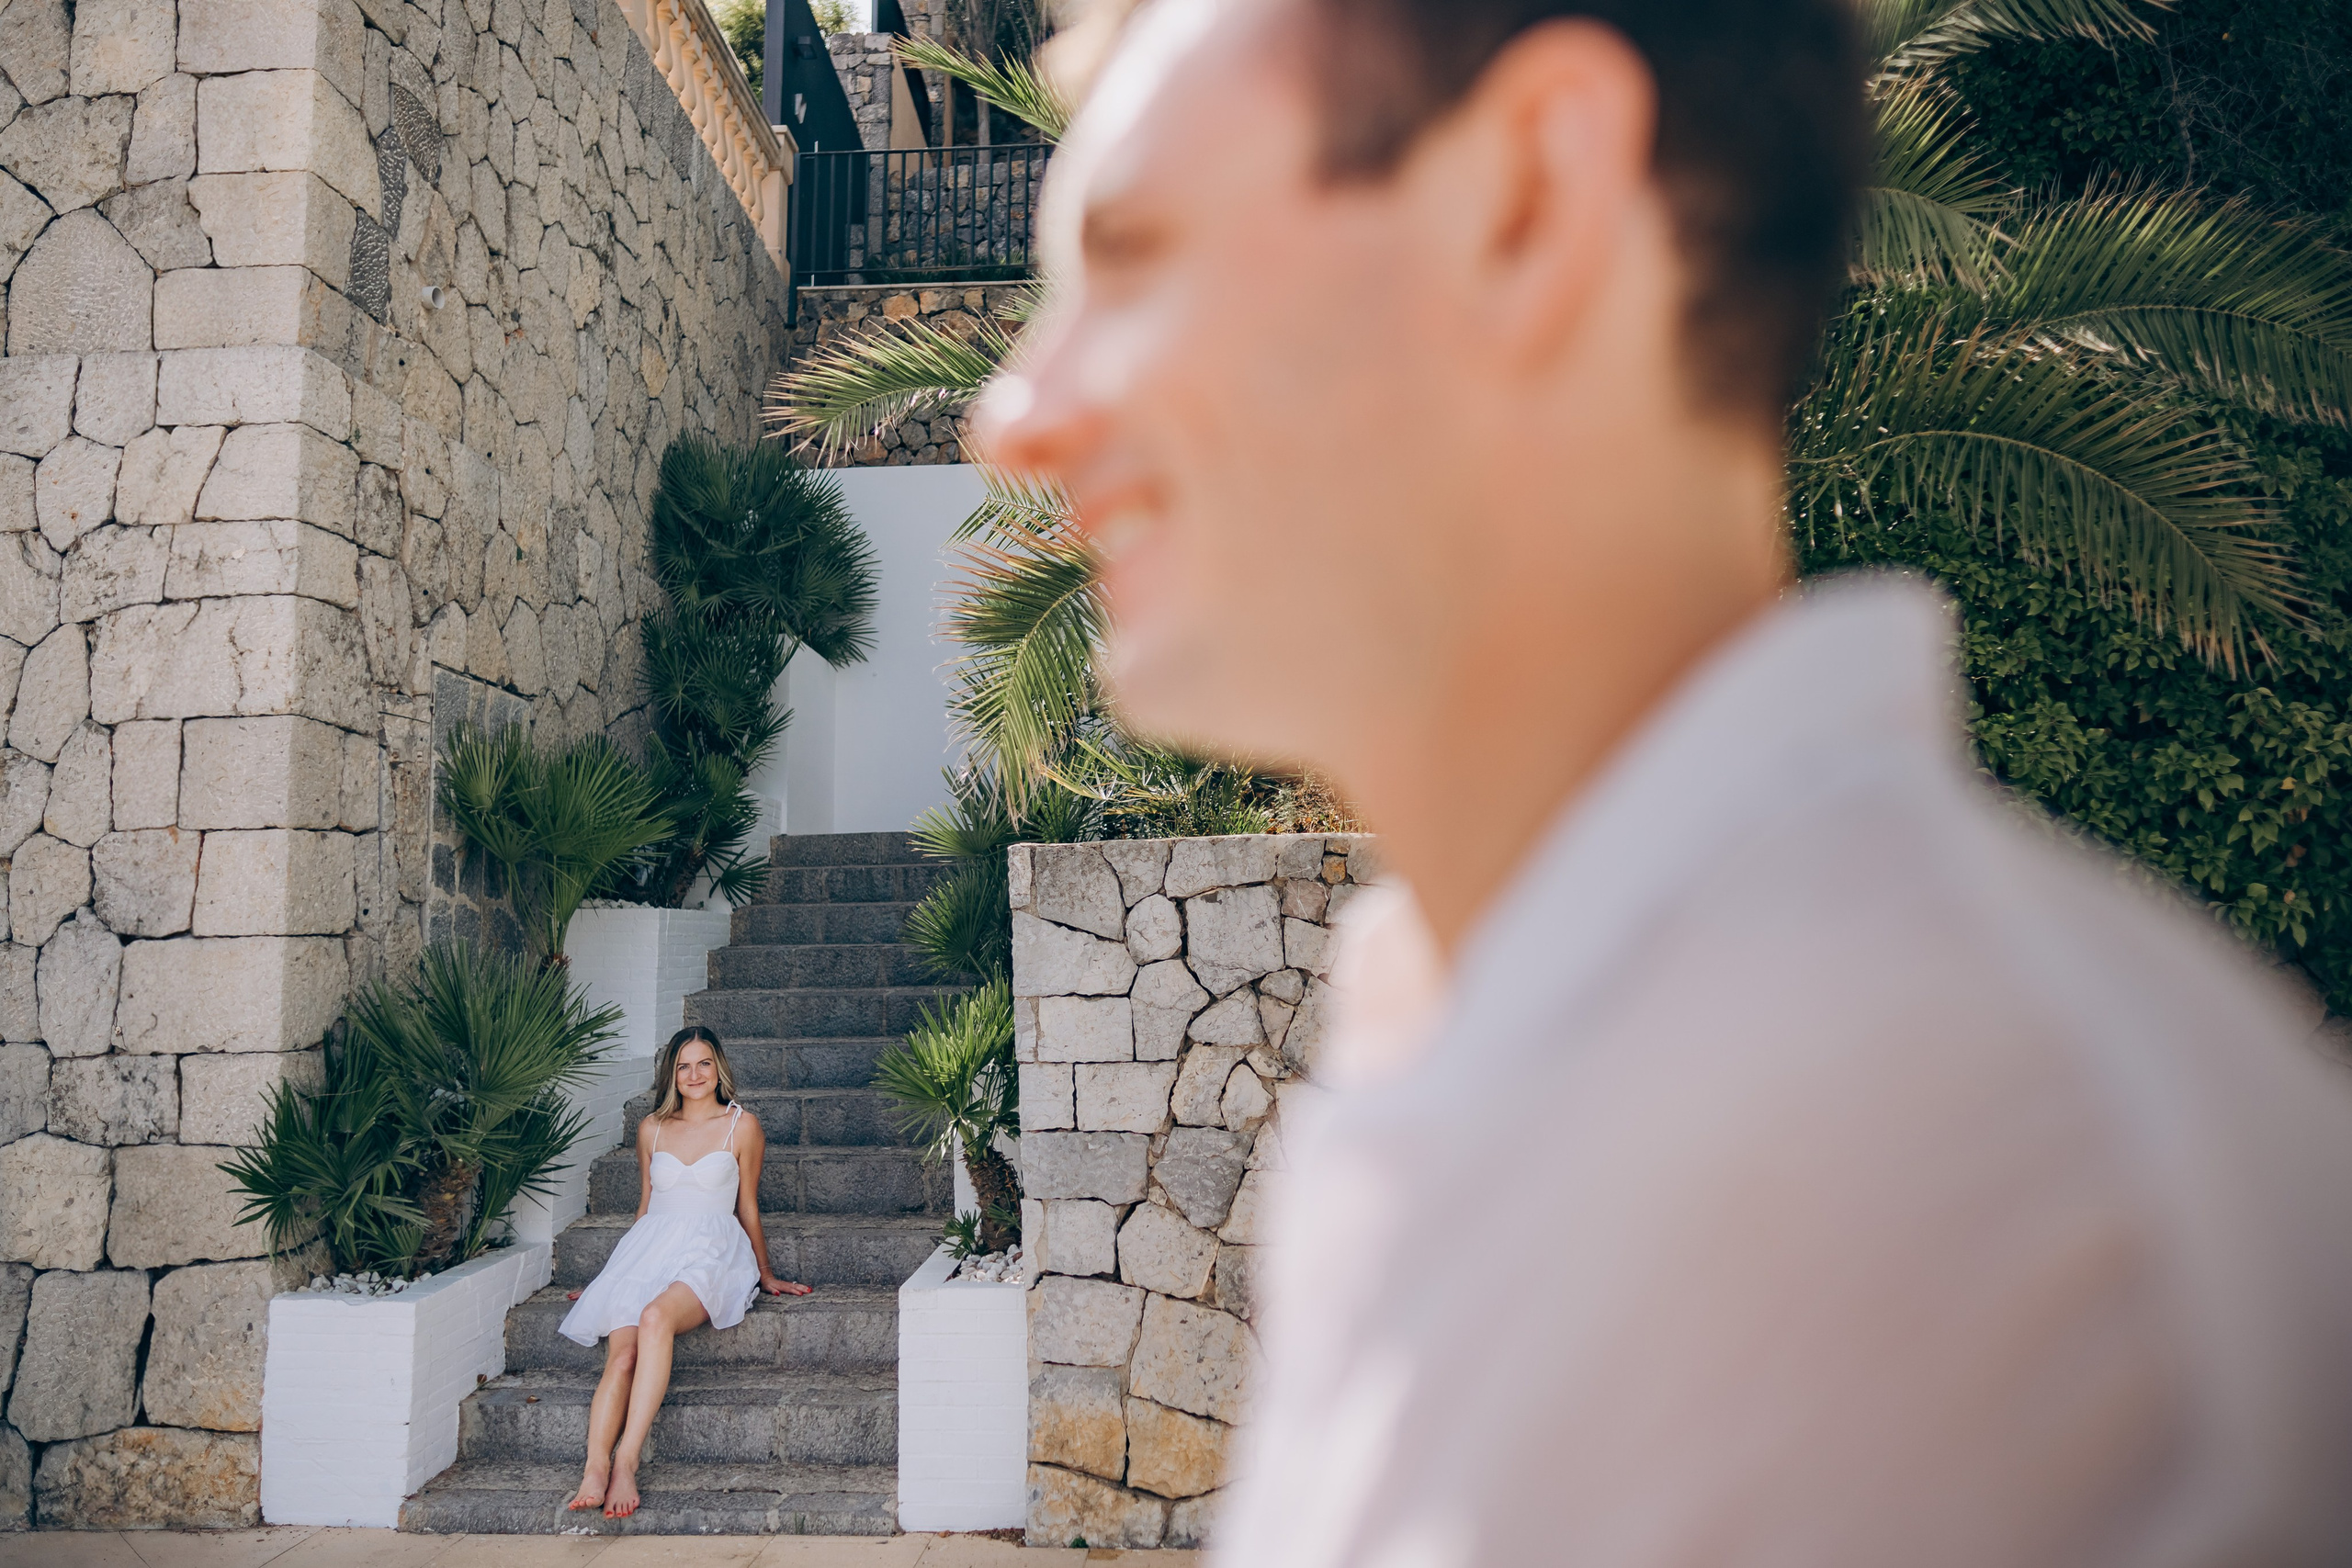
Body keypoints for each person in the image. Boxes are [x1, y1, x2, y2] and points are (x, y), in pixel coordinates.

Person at [978, 0, 2352, 1562]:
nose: (1014, 414)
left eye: (1139, 254)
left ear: (1531, 200)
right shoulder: (1516, 1056)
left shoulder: (1984, 1220)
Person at [558, 1026, 810, 1519]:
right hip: (651, 1246)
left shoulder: (743, 1126)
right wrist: (611, 1275)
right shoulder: (651, 1128)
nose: (694, 1075)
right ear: (671, 1073)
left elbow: (749, 1208)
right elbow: (646, 1206)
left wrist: (764, 1271)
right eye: (683, 1066)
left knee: (655, 1318)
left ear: (719, 1069)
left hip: (713, 1247)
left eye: (704, 1063)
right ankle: (594, 1467)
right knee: (623, 1356)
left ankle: (626, 1462)